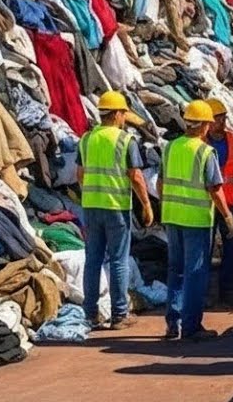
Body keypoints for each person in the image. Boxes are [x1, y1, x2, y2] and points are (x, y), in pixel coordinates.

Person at [161, 100, 233, 342]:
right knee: (195, 272)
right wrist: (227, 216)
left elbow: (161, 182)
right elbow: (215, 188)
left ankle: (173, 324)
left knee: (175, 271)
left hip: (172, 217)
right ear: (205, 125)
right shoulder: (205, 152)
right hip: (195, 220)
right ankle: (192, 326)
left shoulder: (171, 148)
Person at [78, 91, 153, 331]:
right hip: (116, 208)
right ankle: (119, 314)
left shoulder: (87, 139)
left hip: (91, 207)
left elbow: (79, 174)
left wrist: (91, 192)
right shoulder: (125, 140)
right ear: (118, 114)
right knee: (119, 260)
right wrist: (147, 205)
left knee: (93, 260)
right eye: (124, 114)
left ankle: (90, 314)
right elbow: (136, 176)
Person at [207, 98, 233, 308]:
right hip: (208, 204)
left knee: (232, 248)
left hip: (231, 202)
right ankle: (204, 293)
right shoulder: (201, 143)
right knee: (206, 248)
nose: (221, 122)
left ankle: (228, 290)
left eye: (222, 117)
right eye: (216, 118)